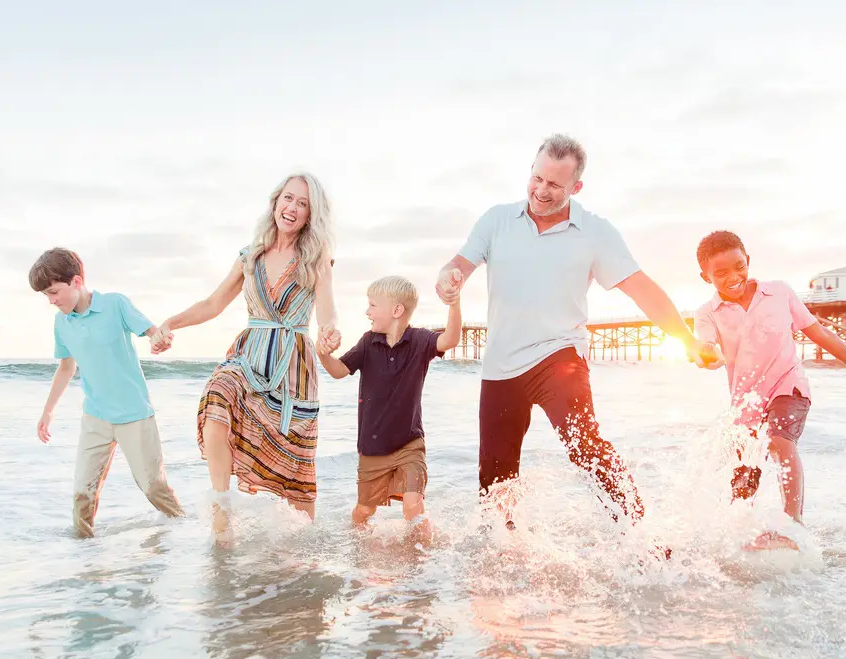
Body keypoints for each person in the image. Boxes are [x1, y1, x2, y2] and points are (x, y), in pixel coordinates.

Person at [434, 134, 717, 531]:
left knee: (585, 444)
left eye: (554, 185)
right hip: (500, 364)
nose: (540, 191)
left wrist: (686, 340)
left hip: (559, 356)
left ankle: (642, 534)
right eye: (537, 178)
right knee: (495, 480)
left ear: (576, 187)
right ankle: (499, 559)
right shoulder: (497, 220)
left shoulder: (595, 232)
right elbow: (459, 265)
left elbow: (643, 290)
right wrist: (449, 279)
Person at [154, 173, 340, 543]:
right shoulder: (249, 257)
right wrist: (170, 323)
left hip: (293, 370)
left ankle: (305, 552)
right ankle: (221, 511)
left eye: (302, 204)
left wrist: (330, 332)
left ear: (310, 215)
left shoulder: (316, 260)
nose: (292, 208)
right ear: (275, 202)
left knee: (297, 475)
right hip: (249, 358)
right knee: (219, 396)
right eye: (288, 198)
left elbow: (328, 311)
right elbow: (212, 304)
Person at [692, 230, 846, 550]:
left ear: (748, 262)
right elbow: (704, 345)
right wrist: (706, 355)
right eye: (721, 273)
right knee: (746, 471)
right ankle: (737, 533)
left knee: (779, 440)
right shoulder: (707, 313)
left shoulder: (779, 293)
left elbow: (819, 333)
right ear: (706, 277)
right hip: (746, 402)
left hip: (789, 385)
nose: (734, 277)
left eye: (739, 266)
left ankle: (792, 524)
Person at [29, 247, 186, 538]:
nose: (52, 301)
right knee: (82, 495)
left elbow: (152, 332)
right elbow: (66, 367)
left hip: (134, 415)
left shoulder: (115, 304)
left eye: (54, 292)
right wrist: (47, 412)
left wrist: (160, 340)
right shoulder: (61, 323)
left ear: (76, 281)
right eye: (46, 296)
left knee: (154, 488)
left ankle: (186, 537)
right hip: (95, 417)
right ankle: (85, 564)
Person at [316, 275, 463, 544]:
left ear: (396, 310)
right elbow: (338, 371)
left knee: (413, 506)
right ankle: (356, 546)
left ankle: (421, 558)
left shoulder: (420, 341)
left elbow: (450, 339)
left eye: (372, 305)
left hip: (410, 443)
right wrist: (323, 354)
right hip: (373, 448)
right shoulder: (367, 342)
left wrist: (454, 304)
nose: (367, 311)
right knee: (365, 511)